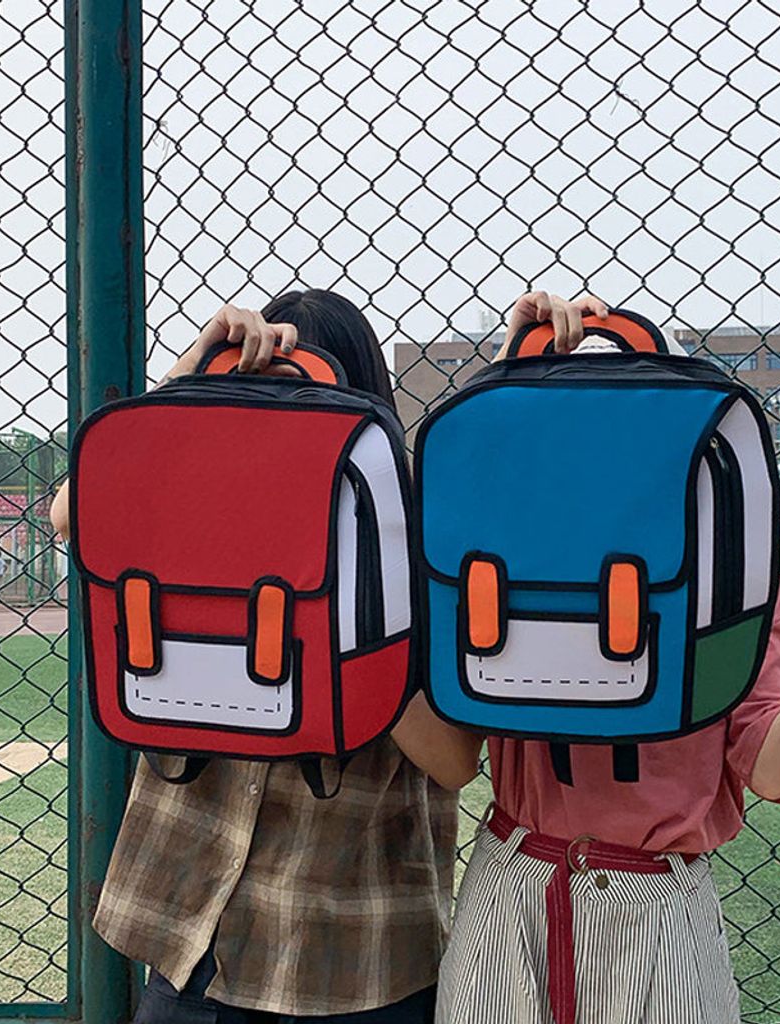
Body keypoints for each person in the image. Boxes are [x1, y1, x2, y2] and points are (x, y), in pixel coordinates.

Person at [428, 291, 780, 1024]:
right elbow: (470, 479)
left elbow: (772, 772)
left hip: (657, 903)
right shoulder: (503, 573)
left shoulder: (734, 581)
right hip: (513, 884)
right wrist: (504, 374)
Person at [50, 290, 478, 1024]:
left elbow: (454, 762)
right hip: (194, 938)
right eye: (261, 388)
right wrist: (191, 377)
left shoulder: (417, 525)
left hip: (353, 949)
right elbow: (70, 511)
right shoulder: (190, 511)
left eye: (311, 392)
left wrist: (356, 621)